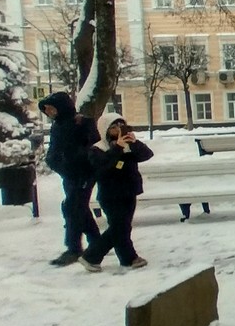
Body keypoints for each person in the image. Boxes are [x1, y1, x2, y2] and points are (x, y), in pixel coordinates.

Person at [80, 113, 153, 272]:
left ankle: (127, 258)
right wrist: (117, 148)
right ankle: (91, 255)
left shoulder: (129, 145)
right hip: (110, 194)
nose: (117, 130)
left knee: (123, 227)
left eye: (120, 126)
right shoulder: (98, 148)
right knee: (119, 226)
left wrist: (134, 143)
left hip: (129, 191)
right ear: (105, 129)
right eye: (113, 127)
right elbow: (103, 167)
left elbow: (147, 155)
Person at [38, 92, 102, 266]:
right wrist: (55, 163)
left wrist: (77, 159)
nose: (49, 112)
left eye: (51, 108)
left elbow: (93, 146)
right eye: (46, 110)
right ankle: (97, 241)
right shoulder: (57, 126)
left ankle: (74, 248)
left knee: (73, 208)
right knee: (78, 207)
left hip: (83, 173)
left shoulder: (82, 123)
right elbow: (54, 150)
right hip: (68, 174)